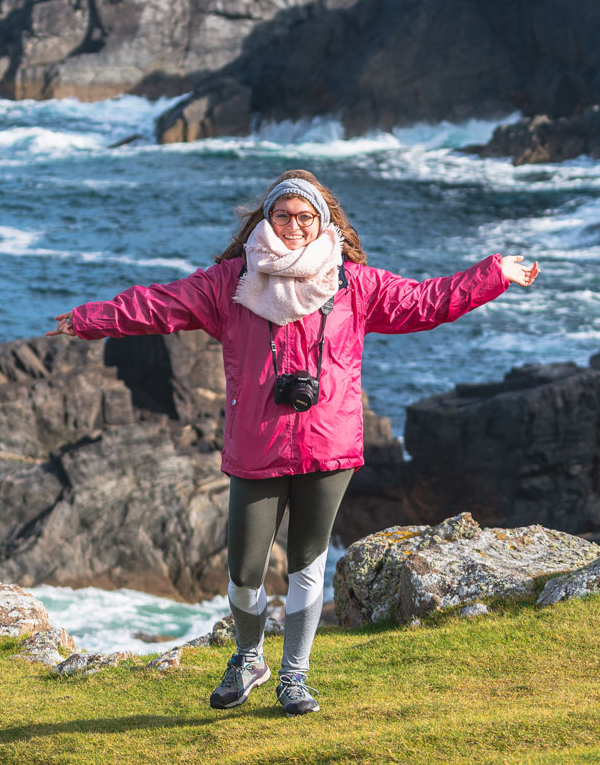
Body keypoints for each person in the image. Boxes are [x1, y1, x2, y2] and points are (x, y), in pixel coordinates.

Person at [48, 169, 539, 716]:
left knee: (307, 563)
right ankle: (249, 657)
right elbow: (159, 304)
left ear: (323, 222)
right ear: (267, 219)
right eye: (283, 216)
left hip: (328, 443)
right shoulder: (229, 283)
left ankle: (295, 677)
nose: (294, 227)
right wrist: (89, 320)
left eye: (305, 218)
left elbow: (428, 302)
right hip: (257, 443)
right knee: (243, 572)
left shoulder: (356, 284)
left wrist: (494, 273)